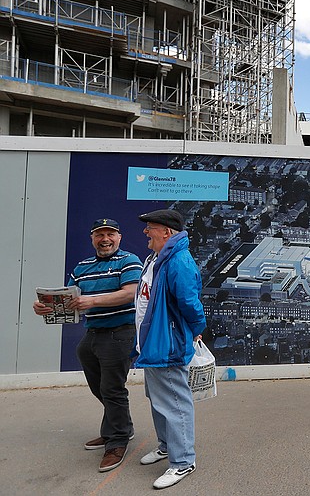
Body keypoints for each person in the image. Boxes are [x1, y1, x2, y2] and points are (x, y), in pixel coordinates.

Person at [32, 218, 142, 473]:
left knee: (112, 389)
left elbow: (130, 293)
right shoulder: (82, 267)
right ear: (92, 238)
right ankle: (119, 426)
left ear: (119, 237)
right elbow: (69, 297)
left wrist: (91, 301)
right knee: (101, 387)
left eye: (110, 234)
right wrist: (44, 307)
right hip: (93, 333)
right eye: (99, 234)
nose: (105, 239)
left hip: (120, 332)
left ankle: (117, 442)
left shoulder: (129, 260)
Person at [133, 209, 206, 490]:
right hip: (152, 345)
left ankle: (183, 461)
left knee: (174, 401)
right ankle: (166, 446)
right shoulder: (156, 258)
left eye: (149, 227)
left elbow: (190, 302)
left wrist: (197, 328)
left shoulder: (178, 261)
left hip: (168, 344)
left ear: (166, 232)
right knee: (158, 399)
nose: (145, 232)